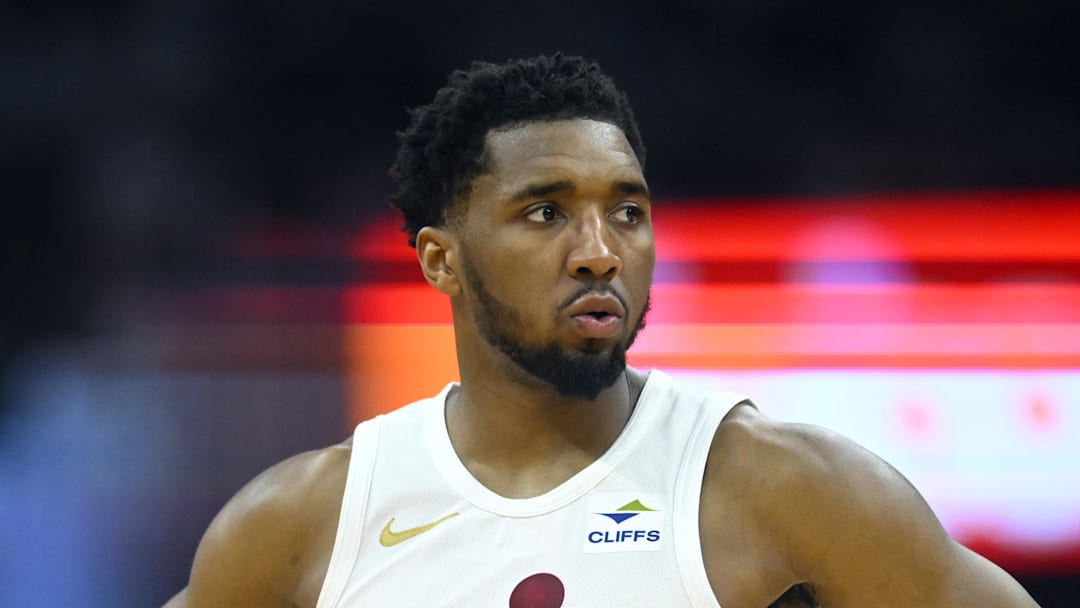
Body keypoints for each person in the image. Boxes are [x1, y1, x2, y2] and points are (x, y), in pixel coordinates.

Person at [167, 54, 1040, 607]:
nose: (599, 253)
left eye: (627, 211)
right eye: (545, 212)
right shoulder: (301, 524)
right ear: (440, 261)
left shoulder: (791, 486)